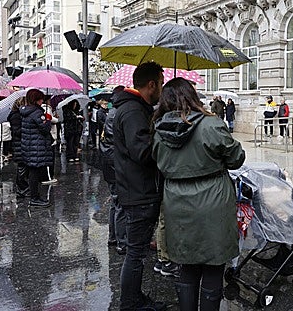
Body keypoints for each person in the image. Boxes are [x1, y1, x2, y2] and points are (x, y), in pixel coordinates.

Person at [152, 77, 245, 311]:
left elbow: (156, 161)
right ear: (192, 96)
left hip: (176, 199)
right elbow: (236, 158)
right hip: (213, 199)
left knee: (186, 263)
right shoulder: (211, 125)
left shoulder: (158, 128)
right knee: (213, 264)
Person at [113, 62, 166, 311]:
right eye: (161, 83)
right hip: (140, 192)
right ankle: (130, 303)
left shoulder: (135, 108)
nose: (162, 88)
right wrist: (162, 138)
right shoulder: (133, 111)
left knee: (137, 252)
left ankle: (134, 297)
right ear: (151, 84)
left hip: (136, 189)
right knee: (136, 254)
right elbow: (142, 152)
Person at [99, 86, 127, 256]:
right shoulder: (119, 114)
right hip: (115, 162)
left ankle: (113, 237)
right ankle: (122, 242)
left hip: (108, 162)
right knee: (120, 204)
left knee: (114, 202)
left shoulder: (112, 111)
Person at [20, 89, 54, 208]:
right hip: (37, 147)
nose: (42, 101)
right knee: (35, 172)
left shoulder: (26, 111)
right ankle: (34, 198)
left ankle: (35, 196)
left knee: (33, 171)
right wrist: (48, 119)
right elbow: (45, 129)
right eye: (40, 99)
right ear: (36, 100)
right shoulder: (36, 113)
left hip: (30, 146)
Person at [8, 97, 29, 197]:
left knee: (23, 165)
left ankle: (23, 187)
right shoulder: (16, 116)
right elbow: (17, 131)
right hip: (19, 144)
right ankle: (22, 188)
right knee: (22, 166)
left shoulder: (20, 115)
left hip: (21, 143)